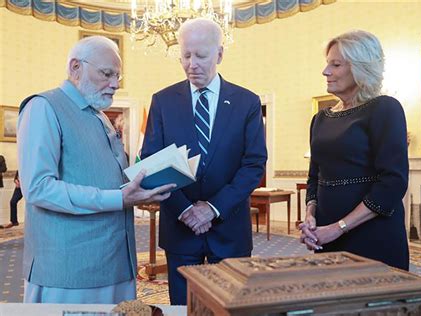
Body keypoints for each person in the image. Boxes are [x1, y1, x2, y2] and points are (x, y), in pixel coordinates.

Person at [17, 36, 176, 304]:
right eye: (107, 74)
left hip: (114, 261)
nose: (115, 84)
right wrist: (119, 198)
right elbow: (38, 188)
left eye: (117, 76)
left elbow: (104, 177)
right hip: (70, 271)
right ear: (75, 67)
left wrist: (142, 188)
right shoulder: (43, 107)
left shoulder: (99, 115)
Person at [141, 18, 267, 305]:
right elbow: (152, 159)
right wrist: (185, 209)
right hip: (180, 228)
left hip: (230, 229)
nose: (191, 64)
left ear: (219, 54)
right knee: (183, 307)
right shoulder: (162, 100)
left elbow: (254, 164)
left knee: (231, 307)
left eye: (201, 55)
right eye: (185, 55)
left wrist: (212, 208)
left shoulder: (247, 102)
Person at [299, 30, 409, 271]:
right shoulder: (320, 118)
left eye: (335, 64)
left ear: (361, 68)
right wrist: (311, 218)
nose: (325, 72)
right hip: (326, 234)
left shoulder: (385, 109)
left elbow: (393, 182)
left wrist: (338, 228)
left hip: (374, 236)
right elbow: (314, 178)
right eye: (327, 64)